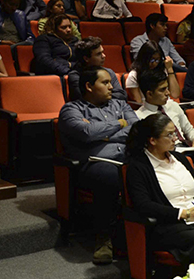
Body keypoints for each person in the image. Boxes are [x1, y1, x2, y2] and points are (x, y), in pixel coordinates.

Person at [124, 113, 194, 269]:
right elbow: (143, 205)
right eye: (169, 135)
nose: (175, 138)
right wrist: (183, 213)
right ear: (152, 140)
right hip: (167, 224)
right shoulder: (138, 167)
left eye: (175, 133)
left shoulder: (181, 158)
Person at [58, 67, 138, 264]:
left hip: (127, 158)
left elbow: (136, 130)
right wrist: (120, 124)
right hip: (95, 163)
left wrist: (102, 134)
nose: (112, 87)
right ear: (89, 86)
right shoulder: (71, 110)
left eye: (110, 82)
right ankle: (104, 237)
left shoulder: (120, 104)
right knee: (109, 175)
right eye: (105, 82)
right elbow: (86, 133)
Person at [135, 70, 194, 147]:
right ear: (149, 94)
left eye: (167, 88)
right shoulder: (140, 117)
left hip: (186, 147)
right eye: (162, 89)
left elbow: (189, 129)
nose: (168, 93)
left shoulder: (173, 105)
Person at [67, 37, 126, 101]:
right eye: (98, 54)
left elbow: (121, 95)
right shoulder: (75, 76)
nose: (104, 56)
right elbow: (82, 99)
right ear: (86, 58)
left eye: (102, 52)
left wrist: (99, 96)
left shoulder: (109, 72)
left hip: (113, 106)